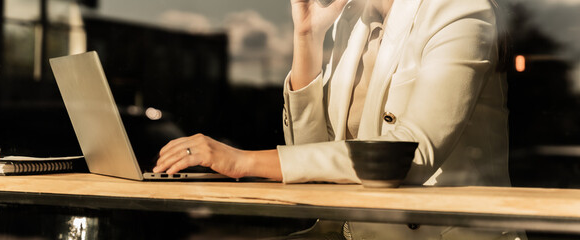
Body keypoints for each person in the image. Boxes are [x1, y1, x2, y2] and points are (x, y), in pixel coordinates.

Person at [155, 0, 521, 238]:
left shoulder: (460, 10)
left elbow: (410, 155)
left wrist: (245, 160)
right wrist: (307, 36)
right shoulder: (352, 21)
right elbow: (313, 161)